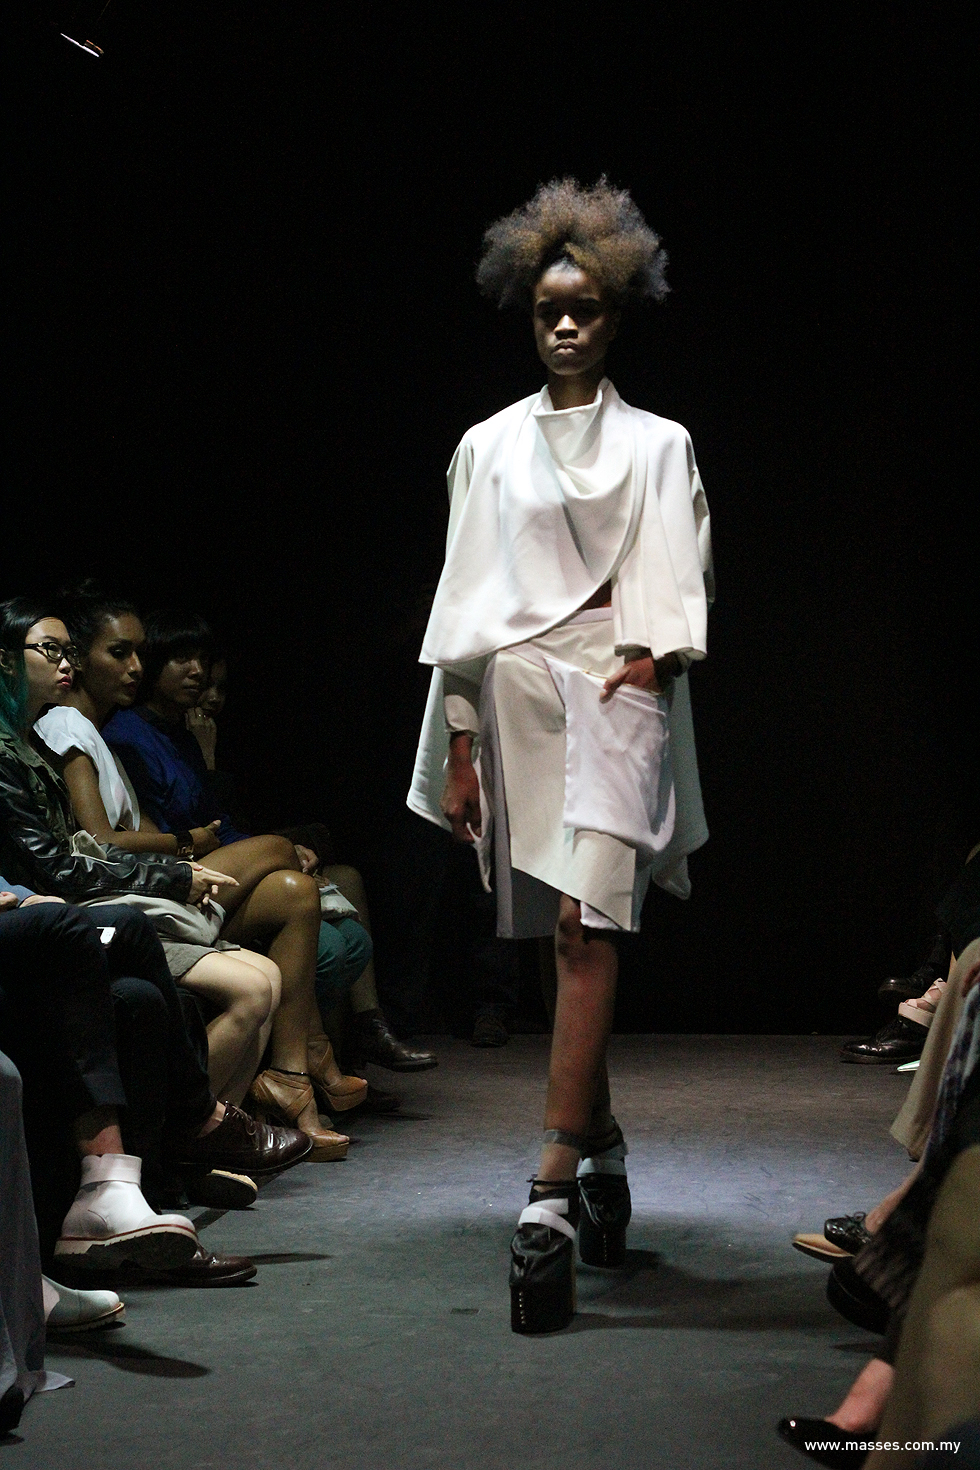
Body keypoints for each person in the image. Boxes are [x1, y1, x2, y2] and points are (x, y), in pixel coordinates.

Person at [408, 178, 713, 1332]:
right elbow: (463, 606)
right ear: (527, 317)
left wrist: (653, 660)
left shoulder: (658, 443)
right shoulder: (486, 447)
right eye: (549, 310)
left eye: (585, 308)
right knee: (554, 929)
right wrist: (460, 744)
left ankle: (544, 1184)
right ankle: (602, 1139)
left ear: (616, 315)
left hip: (621, 685)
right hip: (521, 693)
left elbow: (676, 580)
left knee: (589, 926)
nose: (568, 325)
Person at [0, 596, 347, 1161]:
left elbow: (134, 833)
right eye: (51, 651)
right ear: (6, 659)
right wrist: (174, 868)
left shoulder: (35, 738)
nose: (67, 664)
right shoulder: (51, 733)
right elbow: (72, 857)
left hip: (83, 895)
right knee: (257, 961)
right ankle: (188, 1137)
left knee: (275, 944)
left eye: (69, 652)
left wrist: (180, 852)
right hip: (70, 906)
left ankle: (225, 1128)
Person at [102, 606, 434, 1076]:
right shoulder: (127, 736)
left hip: (217, 859)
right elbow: (166, 832)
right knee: (310, 911)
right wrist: (263, 847)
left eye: (203, 661)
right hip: (187, 875)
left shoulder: (184, 734)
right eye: (182, 659)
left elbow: (221, 823)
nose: (197, 673)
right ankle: (310, 1071)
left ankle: (345, 1051)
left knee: (340, 892)